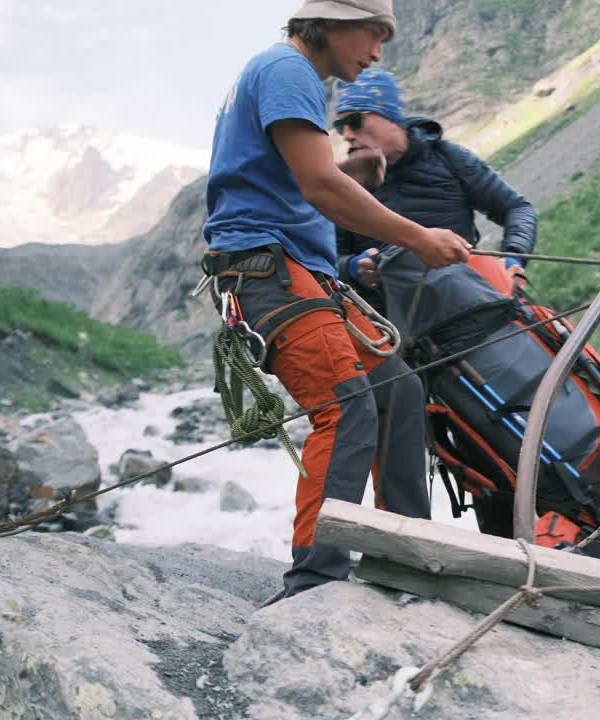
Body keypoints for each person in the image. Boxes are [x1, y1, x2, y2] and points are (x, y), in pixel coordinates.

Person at [200, 0, 471, 599]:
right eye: (374, 34)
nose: (377, 53)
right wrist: (417, 237)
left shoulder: (278, 72)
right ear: (333, 22)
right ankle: (315, 579)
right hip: (268, 271)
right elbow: (317, 185)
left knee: (399, 389)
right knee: (345, 406)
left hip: (294, 270)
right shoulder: (288, 70)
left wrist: (352, 177)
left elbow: (295, 175)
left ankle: (403, 554)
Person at [331, 68, 538, 310]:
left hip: (477, 302)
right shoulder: (342, 187)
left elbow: (516, 208)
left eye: (354, 122)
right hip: (399, 330)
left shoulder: (448, 157)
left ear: (391, 117)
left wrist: (514, 258)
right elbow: (329, 263)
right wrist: (353, 267)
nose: (346, 135)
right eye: (339, 126)